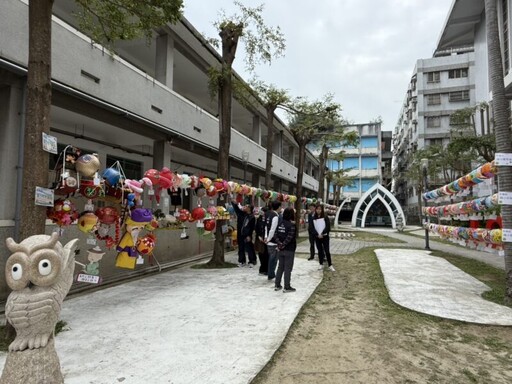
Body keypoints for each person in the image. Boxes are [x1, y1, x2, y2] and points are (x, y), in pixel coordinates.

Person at [274, 207, 297, 292]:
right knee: (288, 268)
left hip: (280, 249)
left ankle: (277, 285)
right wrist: (283, 245)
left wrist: (279, 244)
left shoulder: (280, 224)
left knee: (280, 267)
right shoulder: (292, 225)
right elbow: (290, 237)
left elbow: (275, 234)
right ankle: (287, 286)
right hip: (289, 249)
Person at [231, 201, 257, 267]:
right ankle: (242, 261)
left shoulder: (252, 217)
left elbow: (252, 227)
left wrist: (249, 235)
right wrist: (234, 202)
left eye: (246, 206)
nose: (244, 207)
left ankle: (252, 261)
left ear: (249, 209)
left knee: (249, 248)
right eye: (244, 206)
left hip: (247, 235)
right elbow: (236, 209)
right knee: (241, 248)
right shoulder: (241, 214)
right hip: (240, 234)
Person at [312, 204, 335, 271]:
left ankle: (330, 264)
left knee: (327, 251)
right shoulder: (314, 217)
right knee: (320, 251)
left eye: (320, 209)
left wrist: (322, 233)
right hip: (317, 237)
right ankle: (321, 264)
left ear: (322, 210)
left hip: (325, 237)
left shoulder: (325, 217)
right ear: (315, 210)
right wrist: (317, 234)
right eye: (317, 209)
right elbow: (312, 228)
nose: (318, 210)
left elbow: (328, 227)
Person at [264, 201, 282, 280]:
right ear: (278, 207)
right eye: (280, 206)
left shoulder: (269, 214)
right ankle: (271, 274)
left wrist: (265, 237)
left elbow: (266, 227)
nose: (281, 208)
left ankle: (271, 273)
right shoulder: (275, 216)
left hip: (269, 239)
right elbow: (272, 229)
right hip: (273, 241)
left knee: (272, 258)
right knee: (273, 259)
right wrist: (268, 239)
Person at [255, 207, 269, 275]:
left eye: (263, 211)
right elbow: (257, 228)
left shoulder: (268, 219)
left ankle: (266, 269)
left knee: (266, 255)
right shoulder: (259, 219)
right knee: (261, 254)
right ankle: (262, 269)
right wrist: (259, 236)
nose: (261, 212)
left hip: (267, 239)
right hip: (260, 239)